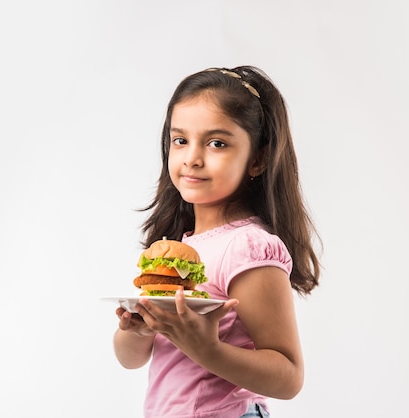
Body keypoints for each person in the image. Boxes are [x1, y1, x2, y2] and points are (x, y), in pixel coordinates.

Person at [113, 66, 320, 418]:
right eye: (181, 140)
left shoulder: (248, 246)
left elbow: (289, 377)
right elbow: (130, 361)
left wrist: (208, 350)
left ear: (257, 159)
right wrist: (137, 330)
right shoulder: (179, 252)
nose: (192, 157)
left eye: (217, 143)